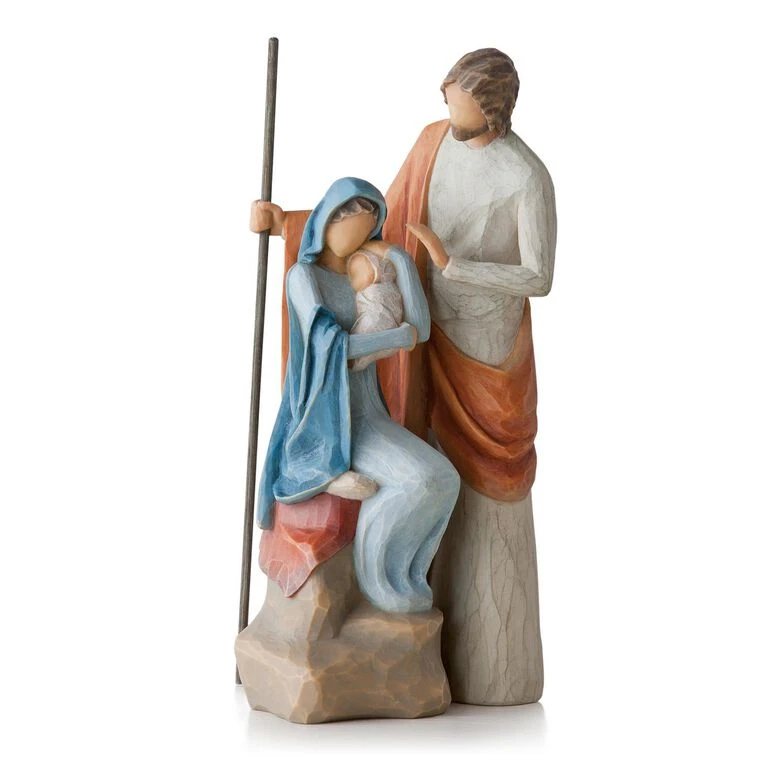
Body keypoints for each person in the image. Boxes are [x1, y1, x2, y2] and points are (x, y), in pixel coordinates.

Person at [253, 177, 460, 614]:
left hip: (368, 414)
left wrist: (399, 259)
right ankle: (376, 581)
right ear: (326, 220)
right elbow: (334, 347)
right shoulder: (304, 278)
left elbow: (420, 329)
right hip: (326, 418)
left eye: (368, 228)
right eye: (347, 222)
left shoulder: (364, 272)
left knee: (444, 479)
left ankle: (406, 575)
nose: (357, 236)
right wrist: (396, 338)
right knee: (416, 480)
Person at [347, 244, 404, 372]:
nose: (352, 281)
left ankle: (352, 360)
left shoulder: (378, 287)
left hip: (380, 321)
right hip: (390, 333)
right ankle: (353, 360)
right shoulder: (385, 284)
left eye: (355, 275)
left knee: (366, 331)